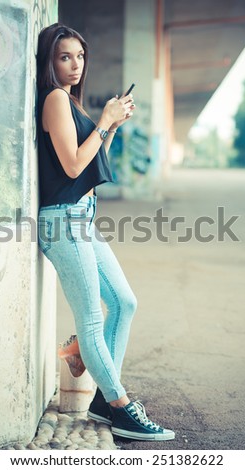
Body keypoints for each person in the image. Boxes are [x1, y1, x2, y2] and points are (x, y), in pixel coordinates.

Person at [36, 23, 175, 442]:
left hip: (81, 217)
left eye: (80, 56)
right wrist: (103, 122)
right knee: (92, 320)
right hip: (62, 220)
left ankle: (101, 401)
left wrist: (110, 126)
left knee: (125, 302)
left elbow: (93, 167)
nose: (75, 65)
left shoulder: (72, 104)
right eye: (65, 57)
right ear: (50, 60)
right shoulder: (55, 100)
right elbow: (73, 166)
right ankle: (119, 405)